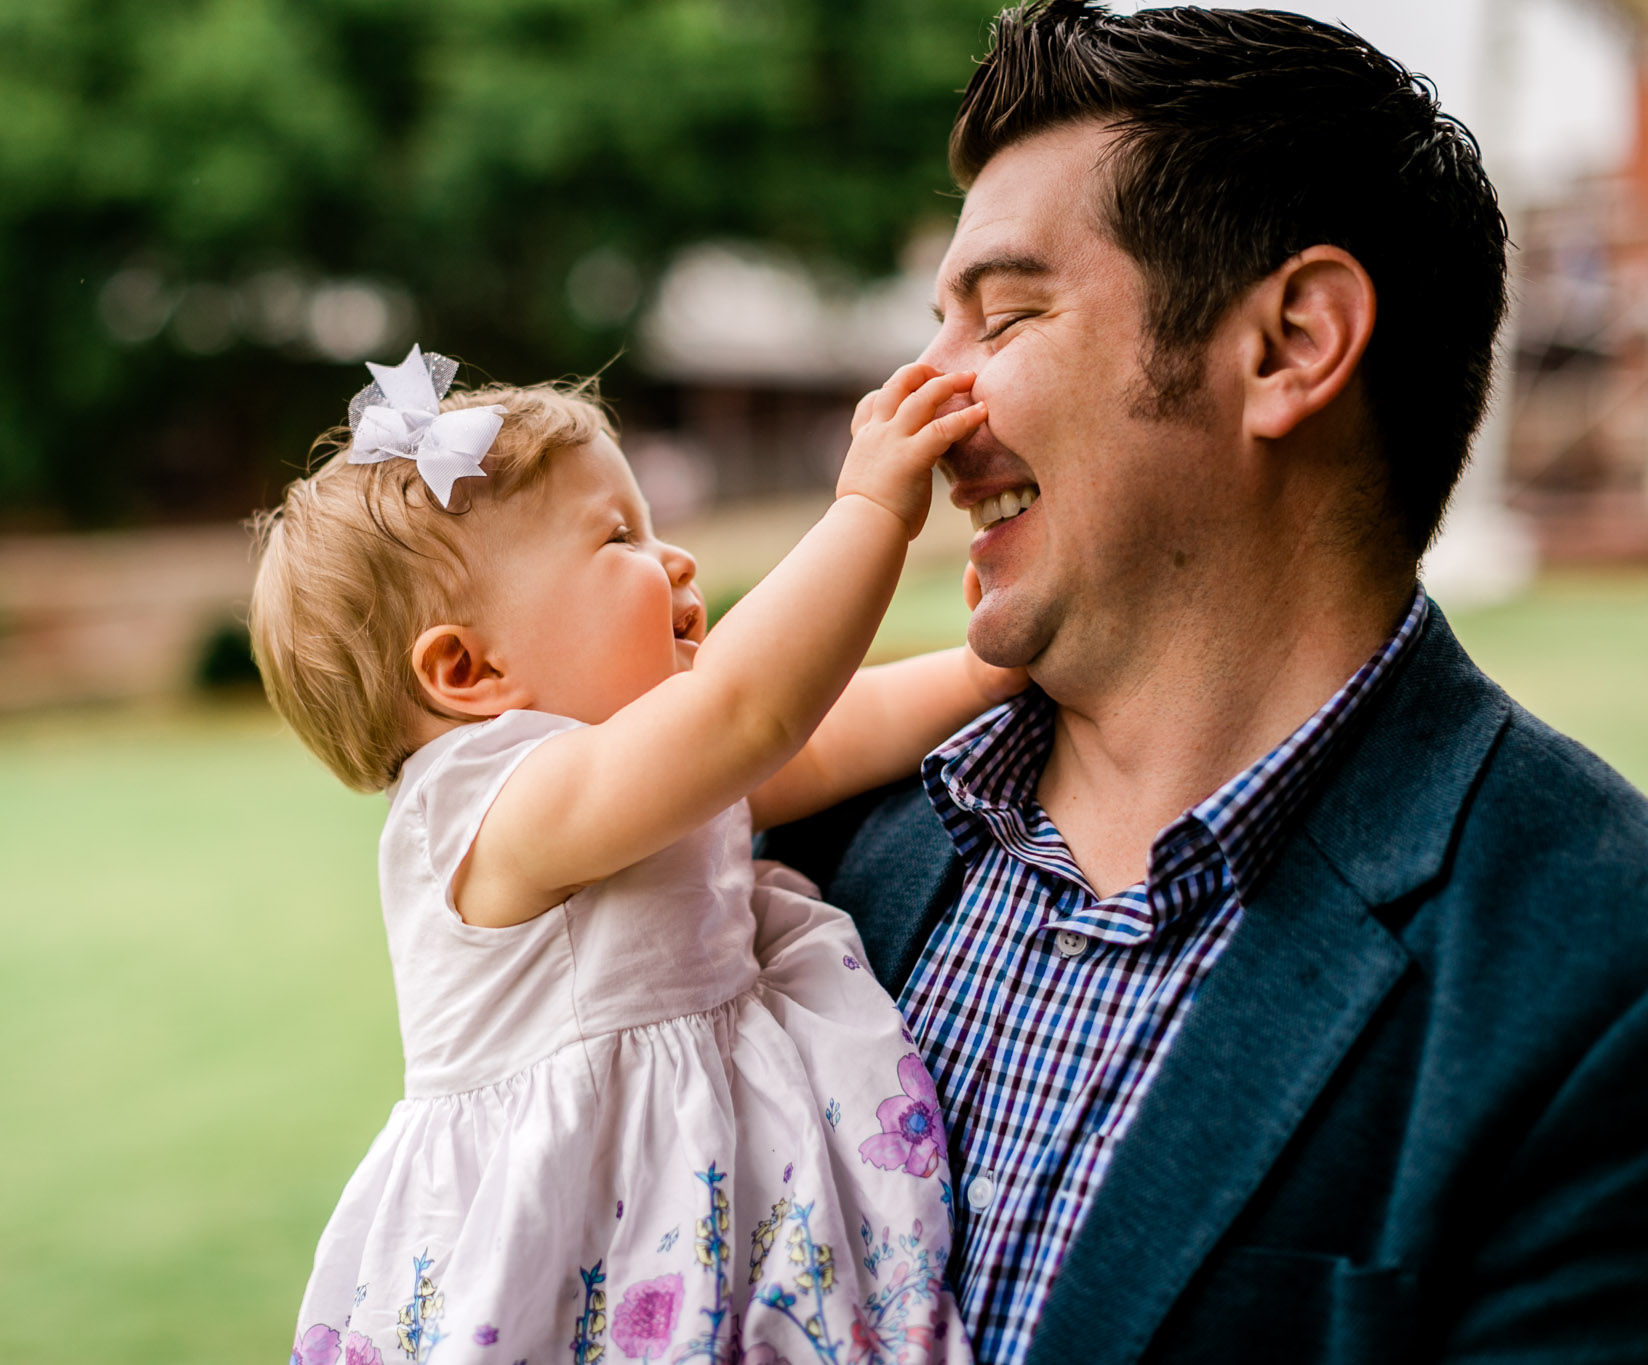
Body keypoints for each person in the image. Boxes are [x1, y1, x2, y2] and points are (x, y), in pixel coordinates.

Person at [758, 5, 1648, 1364]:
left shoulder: (1598, 973)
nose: (914, 413)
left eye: (1002, 317)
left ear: (1291, 345)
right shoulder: (802, 844)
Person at [252, 344, 1025, 1359]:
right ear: (467, 668)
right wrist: (869, 511)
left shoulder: (636, 774)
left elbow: (815, 734)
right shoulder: (497, 805)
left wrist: (979, 670)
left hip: (696, 1201)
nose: (676, 561)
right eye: (618, 537)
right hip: (590, 1242)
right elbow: (750, 709)